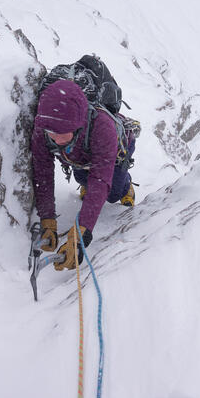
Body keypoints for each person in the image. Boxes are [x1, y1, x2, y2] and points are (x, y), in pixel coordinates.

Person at [31, 79, 136, 271]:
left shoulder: (102, 128)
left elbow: (100, 179)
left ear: (78, 124)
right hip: (79, 154)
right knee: (82, 180)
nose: (56, 139)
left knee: (112, 194)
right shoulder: (44, 128)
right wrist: (47, 218)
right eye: (51, 133)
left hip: (116, 148)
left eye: (63, 132)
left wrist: (81, 232)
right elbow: (42, 172)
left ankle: (126, 184)